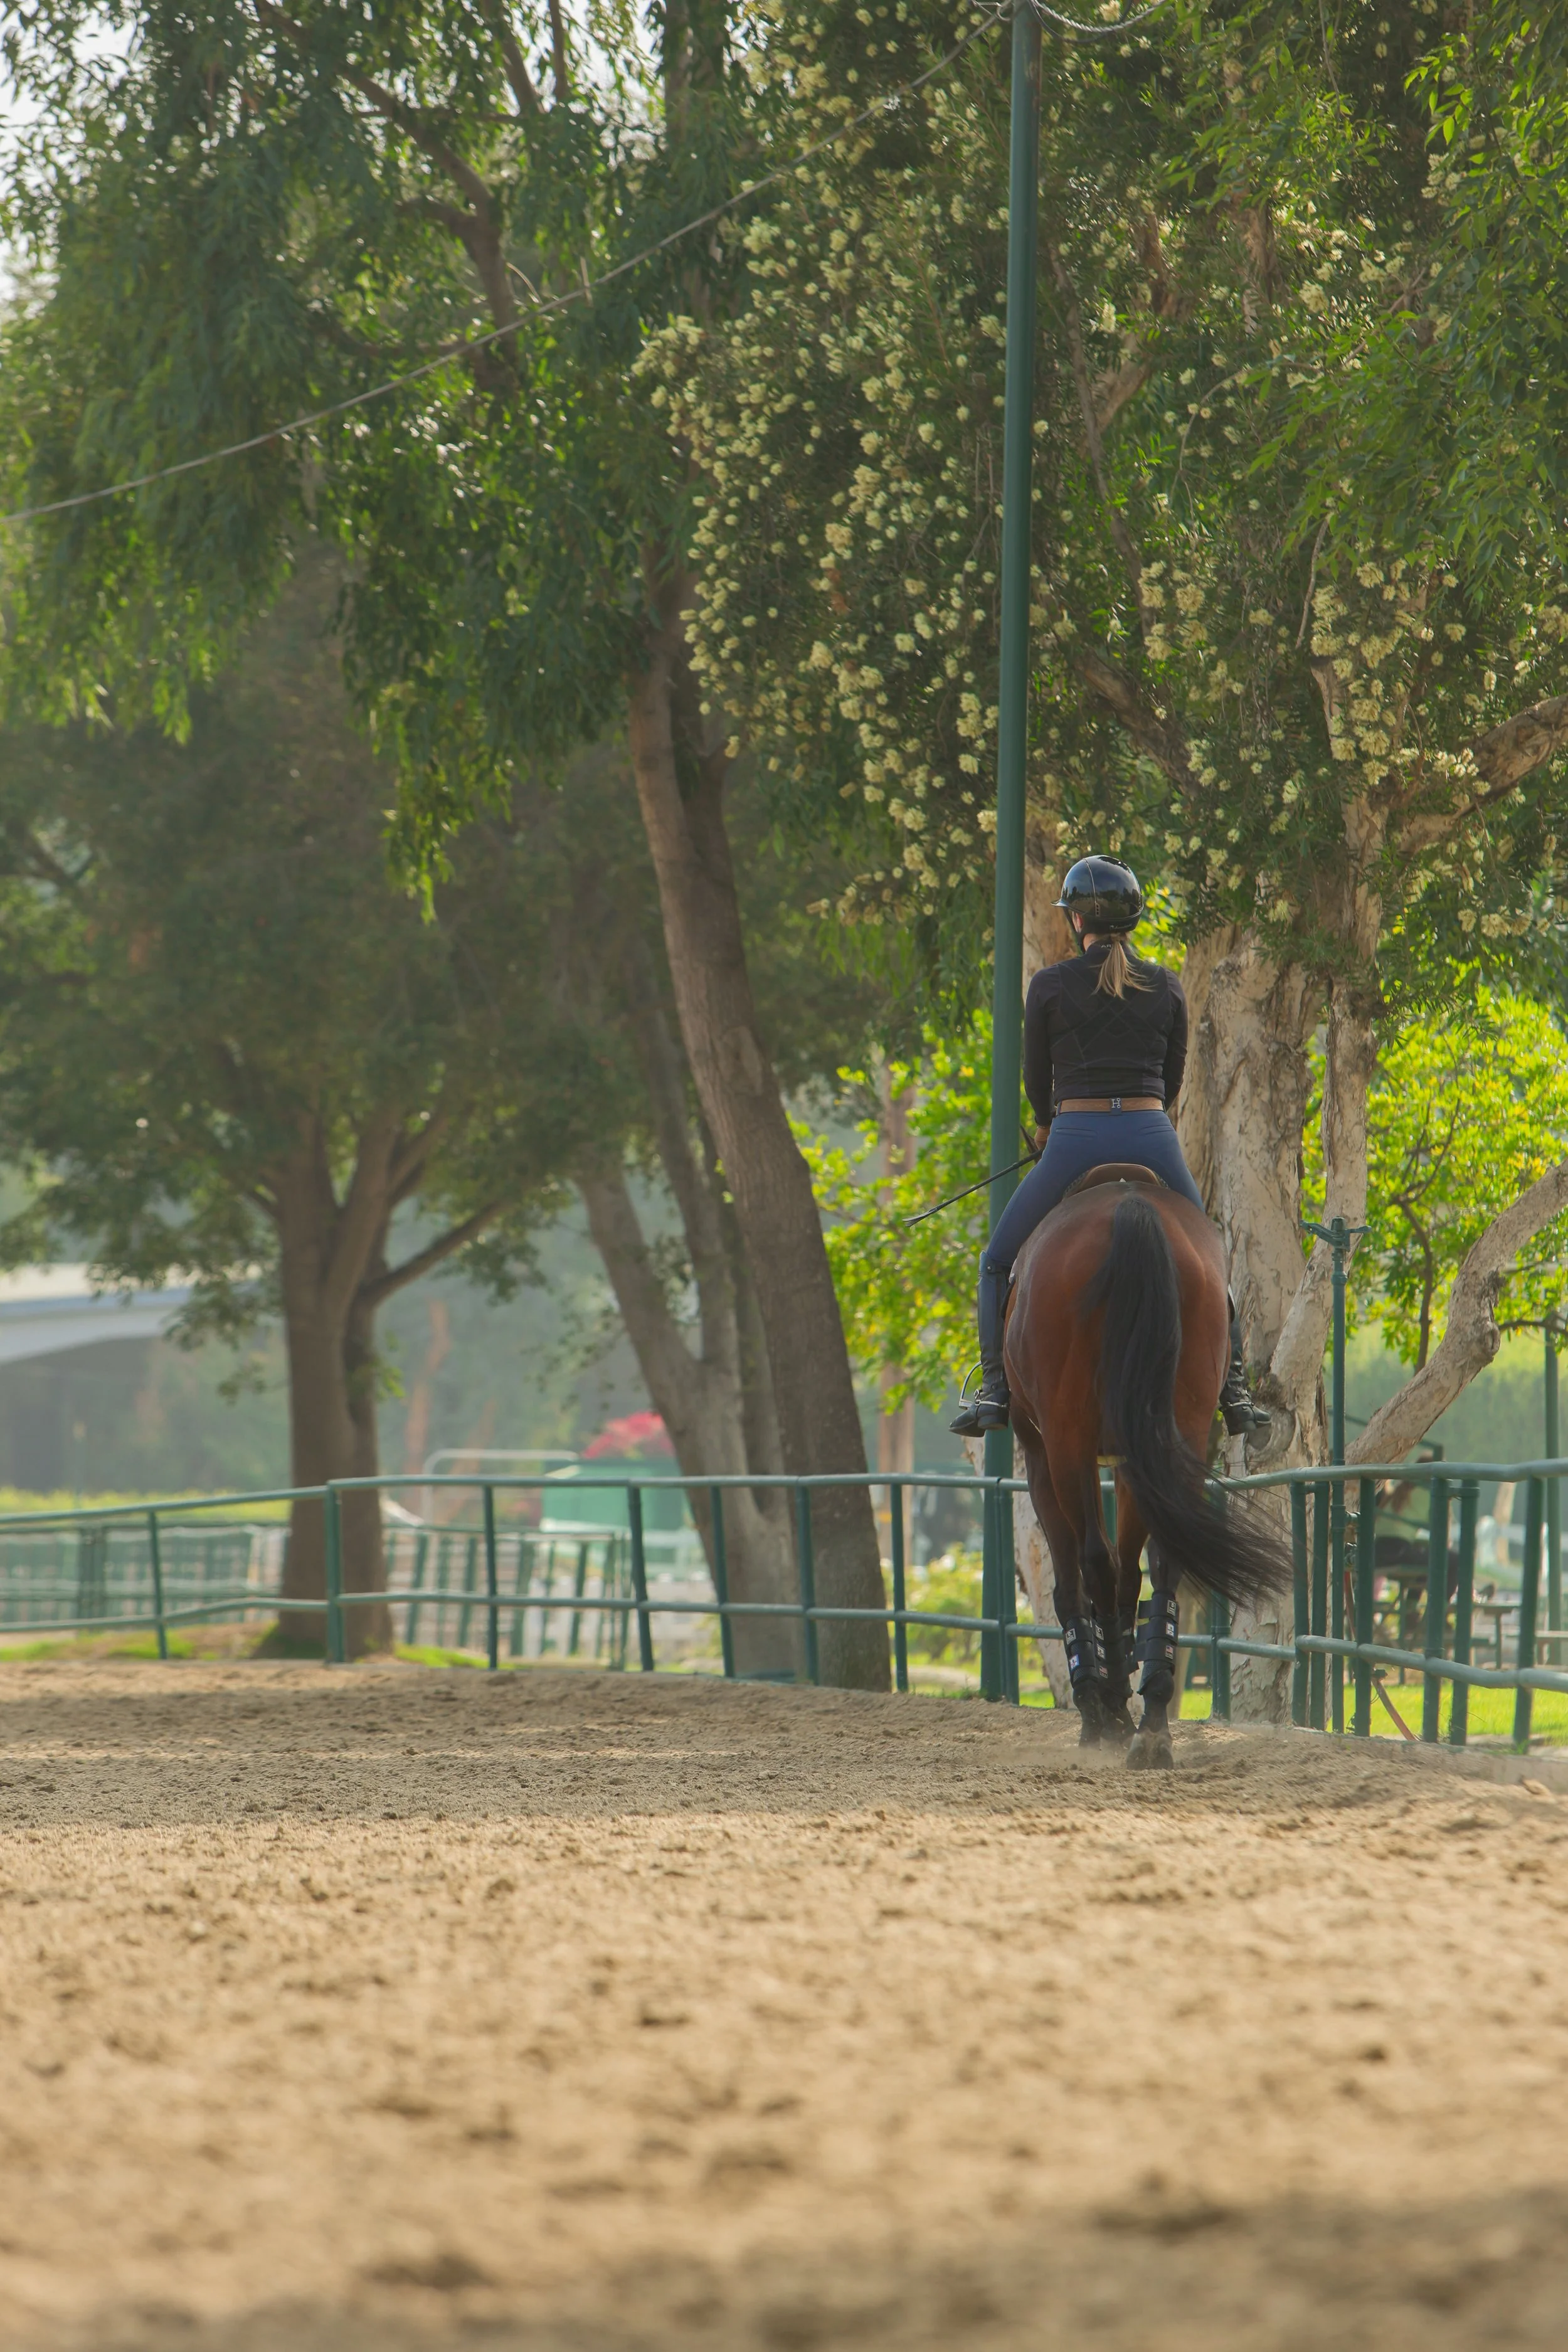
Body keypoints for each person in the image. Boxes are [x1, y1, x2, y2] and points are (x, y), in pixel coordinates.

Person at [950, 852, 1270, 1439]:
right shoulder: (1167, 985)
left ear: (1076, 921)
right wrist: (1147, 1114)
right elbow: (1173, 1078)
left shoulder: (1048, 985)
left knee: (996, 1260)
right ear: (1135, 919)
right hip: (1152, 1132)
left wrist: (1046, 1125)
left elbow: (1034, 1076)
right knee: (1210, 1257)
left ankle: (995, 1391)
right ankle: (1235, 1391)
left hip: (1075, 1135)